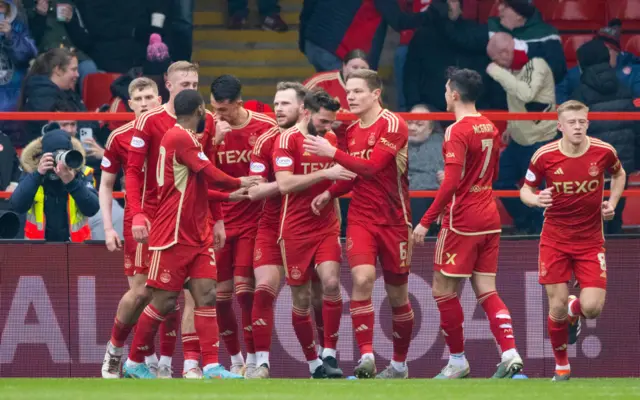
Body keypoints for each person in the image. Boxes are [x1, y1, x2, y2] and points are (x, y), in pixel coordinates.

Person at [121, 89, 256, 380]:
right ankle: (133, 361)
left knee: (206, 295)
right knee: (163, 301)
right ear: (198, 111)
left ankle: (210, 366)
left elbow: (198, 189)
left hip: (197, 233)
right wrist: (240, 181)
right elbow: (209, 173)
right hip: (172, 232)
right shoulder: (179, 137)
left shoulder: (185, 139)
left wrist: (229, 198)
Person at [413, 68, 524, 379]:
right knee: (487, 289)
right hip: (489, 215)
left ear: (455, 94)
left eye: (447, 89)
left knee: (442, 289)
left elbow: (449, 184)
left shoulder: (456, 130)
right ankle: (510, 352)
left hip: (463, 218)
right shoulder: (488, 125)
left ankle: (458, 360)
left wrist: (425, 221)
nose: (445, 94)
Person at [303, 69, 414, 379]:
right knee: (362, 280)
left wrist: (332, 152)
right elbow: (351, 175)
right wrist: (328, 192)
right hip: (361, 218)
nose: (350, 97)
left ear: (375, 94)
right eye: (348, 91)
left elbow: (371, 167)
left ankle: (399, 365)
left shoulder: (393, 124)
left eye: (356, 91)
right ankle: (366, 356)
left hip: (394, 220)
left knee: (398, 297)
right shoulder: (351, 131)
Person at [124, 61, 218, 379]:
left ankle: (195, 364)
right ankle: (126, 356)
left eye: (194, 84)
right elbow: (133, 172)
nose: (189, 88)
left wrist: (216, 219)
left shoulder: (205, 122)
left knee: (202, 293)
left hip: (196, 223)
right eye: (184, 84)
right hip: (158, 221)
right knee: (152, 296)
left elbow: (206, 177)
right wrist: (137, 212)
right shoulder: (149, 121)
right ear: (168, 83)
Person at [520, 100, 626, 381]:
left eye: (582, 121)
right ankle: (562, 366)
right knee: (554, 308)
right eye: (572, 122)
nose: (577, 127)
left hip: (591, 240)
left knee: (591, 308)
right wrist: (535, 199)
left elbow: (619, 174)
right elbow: (525, 189)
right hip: (554, 239)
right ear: (560, 126)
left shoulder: (604, 152)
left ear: (588, 123)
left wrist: (612, 202)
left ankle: (574, 308)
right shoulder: (544, 155)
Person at [273, 88, 353, 379]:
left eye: (331, 122)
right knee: (302, 299)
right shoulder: (285, 140)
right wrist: (324, 175)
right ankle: (313, 363)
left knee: (331, 283)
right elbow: (284, 184)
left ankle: (329, 353)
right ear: (306, 113)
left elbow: (342, 179)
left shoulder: (329, 139)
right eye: (323, 121)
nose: (328, 127)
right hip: (294, 229)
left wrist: (330, 192)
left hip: (326, 226)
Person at [99, 77, 169, 379]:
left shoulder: (174, 130)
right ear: (129, 103)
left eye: (149, 96)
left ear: (160, 98)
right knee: (141, 294)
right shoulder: (119, 137)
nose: (144, 102)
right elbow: (106, 184)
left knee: (178, 296)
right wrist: (108, 227)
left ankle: (166, 363)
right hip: (137, 222)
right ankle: (138, 360)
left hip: (173, 219)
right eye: (138, 98)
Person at [208, 74, 276, 377]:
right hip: (218, 218)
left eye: (224, 110)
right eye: (214, 109)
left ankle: (252, 357)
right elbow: (198, 173)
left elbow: (278, 173)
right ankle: (234, 359)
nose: (218, 116)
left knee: (244, 292)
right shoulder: (204, 128)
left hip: (254, 220)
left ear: (239, 103)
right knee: (218, 298)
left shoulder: (265, 128)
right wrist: (214, 140)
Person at [241, 82, 304, 378]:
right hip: (269, 225)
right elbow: (253, 191)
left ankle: (320, 361)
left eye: (285, 104)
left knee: (317, 295)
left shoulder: (319, 137)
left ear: (302, 107)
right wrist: (289, 182)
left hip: (308, 225)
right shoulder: (264, 141)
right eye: (276, 103)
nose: (278, 108)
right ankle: (261, 363)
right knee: (263, 289)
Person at [486, 32, 557, 234]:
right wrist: (511, 126)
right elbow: (518, 104)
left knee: (537, 188)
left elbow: (526, 93)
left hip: (539, 141)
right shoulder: (515, 68)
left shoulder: (536, 64)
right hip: (519, 140)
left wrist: (496, 72)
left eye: (496, 59)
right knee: (501, 182)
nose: (496, 64)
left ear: (505, 51)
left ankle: (540, 229)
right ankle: (525, 221)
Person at [569, 39, 637, 234]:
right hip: (620, 163)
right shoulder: (625, 88)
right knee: (615, 210)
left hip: (592, 164)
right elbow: (636, 127)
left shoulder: (579, 93)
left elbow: (571, 130)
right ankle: (617, 252)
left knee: (591, 218)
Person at [9, 127, 99, 241]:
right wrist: (38, 174)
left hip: (76, 246)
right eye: (55, 155)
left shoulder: (82, 172)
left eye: (64, 154)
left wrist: (71, 182)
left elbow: (92, 209)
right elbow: (17, 205)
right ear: (43, 156)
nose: (59, 161)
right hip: (38, 246)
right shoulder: (31, 172)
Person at [556, 19, 640, 104]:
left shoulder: (635, 72)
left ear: (617, 52)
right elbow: (559, 99)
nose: (603, 53)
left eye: (608, 49)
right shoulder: (577, 72)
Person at [303, 49, 369, 151]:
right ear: (344, 66)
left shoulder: (371, 91)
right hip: (314, 143)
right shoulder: (321, 82)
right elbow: (296, 108)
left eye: (363, 68)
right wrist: (324, 120)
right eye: (354, 67)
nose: (358, 72)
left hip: (352, 148)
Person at [407, 104, 444, 229]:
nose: (412, 128)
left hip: (430, 198)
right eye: (410, 122)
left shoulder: (441, 144)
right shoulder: (396, 142)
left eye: (419, 124)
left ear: (430, 129)